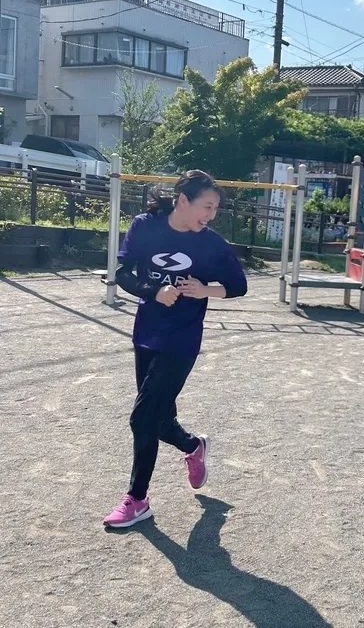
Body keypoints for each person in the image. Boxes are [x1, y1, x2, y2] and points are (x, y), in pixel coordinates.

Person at [104, 170, 248, 528]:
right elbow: (122, 273)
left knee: (142, 418)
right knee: (159, 418)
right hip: (147, 332)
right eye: (207, 206)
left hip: (182, 339)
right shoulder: (146, 226)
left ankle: (137, 500)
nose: (211, 215)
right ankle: (193, 446)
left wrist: (205, 290)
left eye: (215, 209)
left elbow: (238, 285)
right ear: (183, 200)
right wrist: (153, 292)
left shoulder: (211, 243)